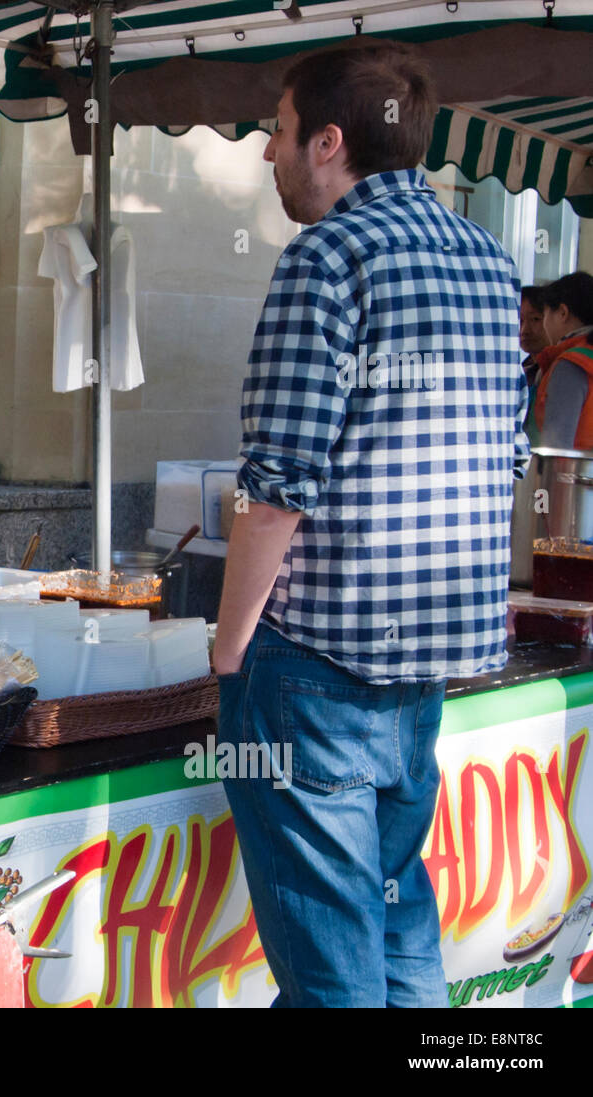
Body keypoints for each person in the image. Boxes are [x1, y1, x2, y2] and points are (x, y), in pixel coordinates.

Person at [211, 43, 527, 1007]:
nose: (268, 150)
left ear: (329, 142)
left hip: (314, 673)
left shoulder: (326, 257)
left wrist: (228, 649)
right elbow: (508, 456)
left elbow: (278, 489)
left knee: (331, 966)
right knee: (393, 933)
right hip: (424, 670)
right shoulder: (487, 255)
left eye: (279, 127)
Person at [532, 271, 593, 449]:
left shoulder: (572, 365)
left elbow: (557, 447)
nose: (544, 325)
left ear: (562, 313)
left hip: (577, 475)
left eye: (543, 316)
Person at [519, 284, 551, 446]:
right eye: (520, 320)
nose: (525, 330)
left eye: (535, 319)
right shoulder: (522, 370)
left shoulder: (555, 369)